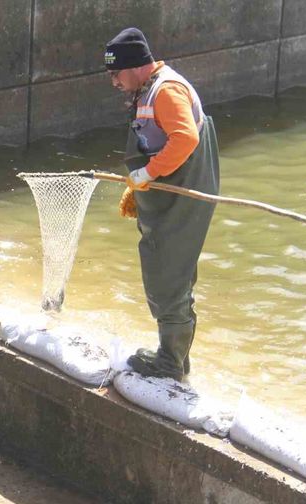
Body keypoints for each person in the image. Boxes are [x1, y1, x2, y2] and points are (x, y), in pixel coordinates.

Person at [104, 28, 220, 381]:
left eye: (116, 74)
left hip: (183, 195)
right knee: (173, 272)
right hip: (167, 194)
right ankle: (177, 357)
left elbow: (186, 138)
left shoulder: (166, 90)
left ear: (137, 67)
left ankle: (169, 363)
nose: (114, 82)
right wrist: (141, 187)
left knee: (169, 272)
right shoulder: (147, 87)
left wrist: (149, 174)